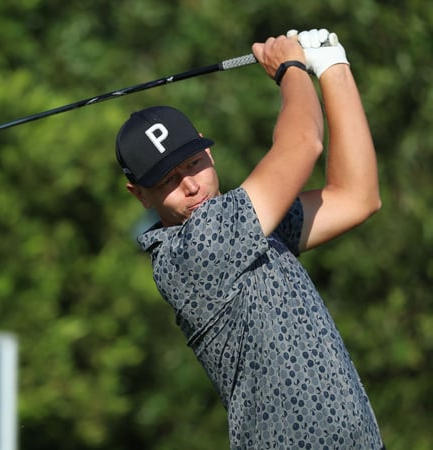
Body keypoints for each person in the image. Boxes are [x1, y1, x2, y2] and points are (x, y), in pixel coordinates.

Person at [115, 29, 384, 448]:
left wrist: (333, 66)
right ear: (140, 195)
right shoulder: (194, 249)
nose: (190, 185)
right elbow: (303, 142)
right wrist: (291, 69)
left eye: (192, 163)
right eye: (168, 179)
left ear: (209, 153)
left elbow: (356, 197)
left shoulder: (253, 228)